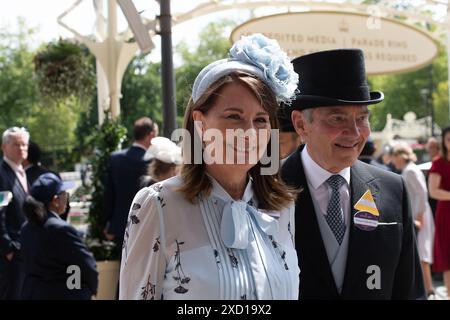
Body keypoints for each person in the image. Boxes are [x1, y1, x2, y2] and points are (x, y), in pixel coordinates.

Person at [120, 33, 300, 300]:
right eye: (233, 117)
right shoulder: (158, 205)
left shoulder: (281, 207)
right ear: (200, 123)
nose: (249, 132)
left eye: (261, 120)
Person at [282, 49, 425, 299]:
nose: (355, 132)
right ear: (301, 124)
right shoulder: (264, 188)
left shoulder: (393, 190)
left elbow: (410, 293)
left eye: (362, 118)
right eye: (337, 119)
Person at [20, 173, 98, 299]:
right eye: (65, 194)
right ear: (55, 201)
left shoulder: (25, 228)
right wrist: (90, 291)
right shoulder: (61, 229)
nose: (67, 198)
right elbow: (86, 265)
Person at [103, 117, 158, 248]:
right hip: (149, 225)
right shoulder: (152, 161)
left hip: (121, 226)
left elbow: (108, 194)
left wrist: (108, 224)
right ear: (151, 135)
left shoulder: (115, 159)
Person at [392, 142, 435, 299]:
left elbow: (422, 193)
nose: (392, 161)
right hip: (419, 214)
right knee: (421, 253)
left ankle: (428, 290)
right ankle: (428, 289)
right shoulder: (409, 169)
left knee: (421, 253)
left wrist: (419, 217)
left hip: (419, 215)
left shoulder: (410, 170)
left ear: (400, 156)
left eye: (394, 157)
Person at [0, 127, 30, 299]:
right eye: (16, 145)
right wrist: (8, 248)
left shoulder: (20, 172)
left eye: (24, 145)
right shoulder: (2, 174)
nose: (21, 149)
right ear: (4, 147)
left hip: (22, 250)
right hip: (10, 254)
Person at [428, 126, 450, 299]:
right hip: (446, 215)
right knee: (448, 260)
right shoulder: (438, 162)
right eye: (449, 139)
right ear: (444, 141)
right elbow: (433, 191)